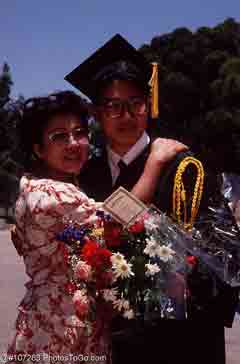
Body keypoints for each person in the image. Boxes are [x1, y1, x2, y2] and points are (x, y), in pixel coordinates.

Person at [65, 34, 239, 364]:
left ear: (149, 104)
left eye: (136, 103)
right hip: (111, 345)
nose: (126, 115)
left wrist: (185, 281)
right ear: (96, 113)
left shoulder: (185, 169)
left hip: (181, 343)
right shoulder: (85, 177)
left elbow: (228, 257)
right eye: (114, 106)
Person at [7, 90, 176, 363]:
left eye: (79, 132)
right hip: (57, 332)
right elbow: (117, 219)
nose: (74, 143)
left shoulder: (46, 185)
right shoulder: (50, 194)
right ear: (38, 149)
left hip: (70, 322)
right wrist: (155, 162)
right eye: (59, 136)